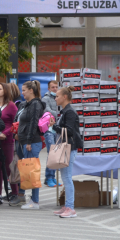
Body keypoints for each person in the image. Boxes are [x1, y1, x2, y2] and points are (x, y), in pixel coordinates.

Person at [51, 86, 82, 218]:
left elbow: (69, 131)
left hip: (69, 147)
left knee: (67, 178)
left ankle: (71, 208)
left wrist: (54, 126)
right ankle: (68, 206)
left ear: (64, 97)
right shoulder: (65, 111)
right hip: (66, 147)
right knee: (65, 177)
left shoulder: (69, 112)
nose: (55, 98)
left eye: (57, 96)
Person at [16, 81, 45, 210]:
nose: (22, 93)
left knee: (32, 171)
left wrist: (28, 141)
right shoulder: (27, 104)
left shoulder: (35, 104)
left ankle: (35, 201)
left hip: (32, 142)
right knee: (29, 171)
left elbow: (33, 122)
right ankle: (33, 200)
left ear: (31, 90)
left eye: (24, 90)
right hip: (25, 141)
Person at [0, 83, 19, 199]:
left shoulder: (11, 106)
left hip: (7, 139)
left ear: (5, 91)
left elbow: (16, 123)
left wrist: (6, 133)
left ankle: (15, 192)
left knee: (9, 165)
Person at [41, 80, 61, 187]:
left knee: (55, 154)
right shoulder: (45, 99)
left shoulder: (59, 98)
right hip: (49, 130)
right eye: (52, 87)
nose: (55, 89)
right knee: (51, 154)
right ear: (49, 89)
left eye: (56, 87)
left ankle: (52, 177)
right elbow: (47, 111)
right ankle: (49, 177)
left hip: (57, 129)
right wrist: (60, 114)